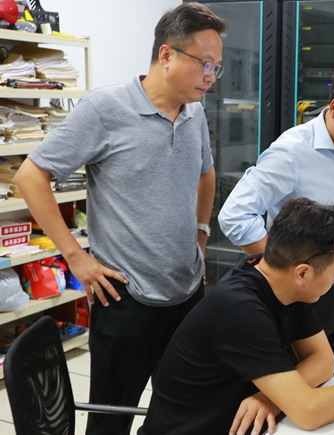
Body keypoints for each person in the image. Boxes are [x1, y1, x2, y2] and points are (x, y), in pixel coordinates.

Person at [14, 4, 224, 434]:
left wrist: (201, 235)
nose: (211, 76)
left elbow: (206, 174)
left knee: (182, 414)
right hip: (124, 297)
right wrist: (75, 257)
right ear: (166, 55)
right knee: (111, 419)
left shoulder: (195, 112)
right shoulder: (104, 109)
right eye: (205, 63)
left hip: (186, 293)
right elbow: (30, 176)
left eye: (216, 67)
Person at [139, 198, 334, 435]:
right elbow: (309, 412)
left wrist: (271, 399)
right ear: (302, 273)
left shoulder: (282, 281)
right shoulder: (240, 310)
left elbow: (324, 360)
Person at [218, 54, 334, 355]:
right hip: (300, 297)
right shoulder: (291, 153)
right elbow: (234, 216)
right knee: (298, 379)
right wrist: (286, 268)